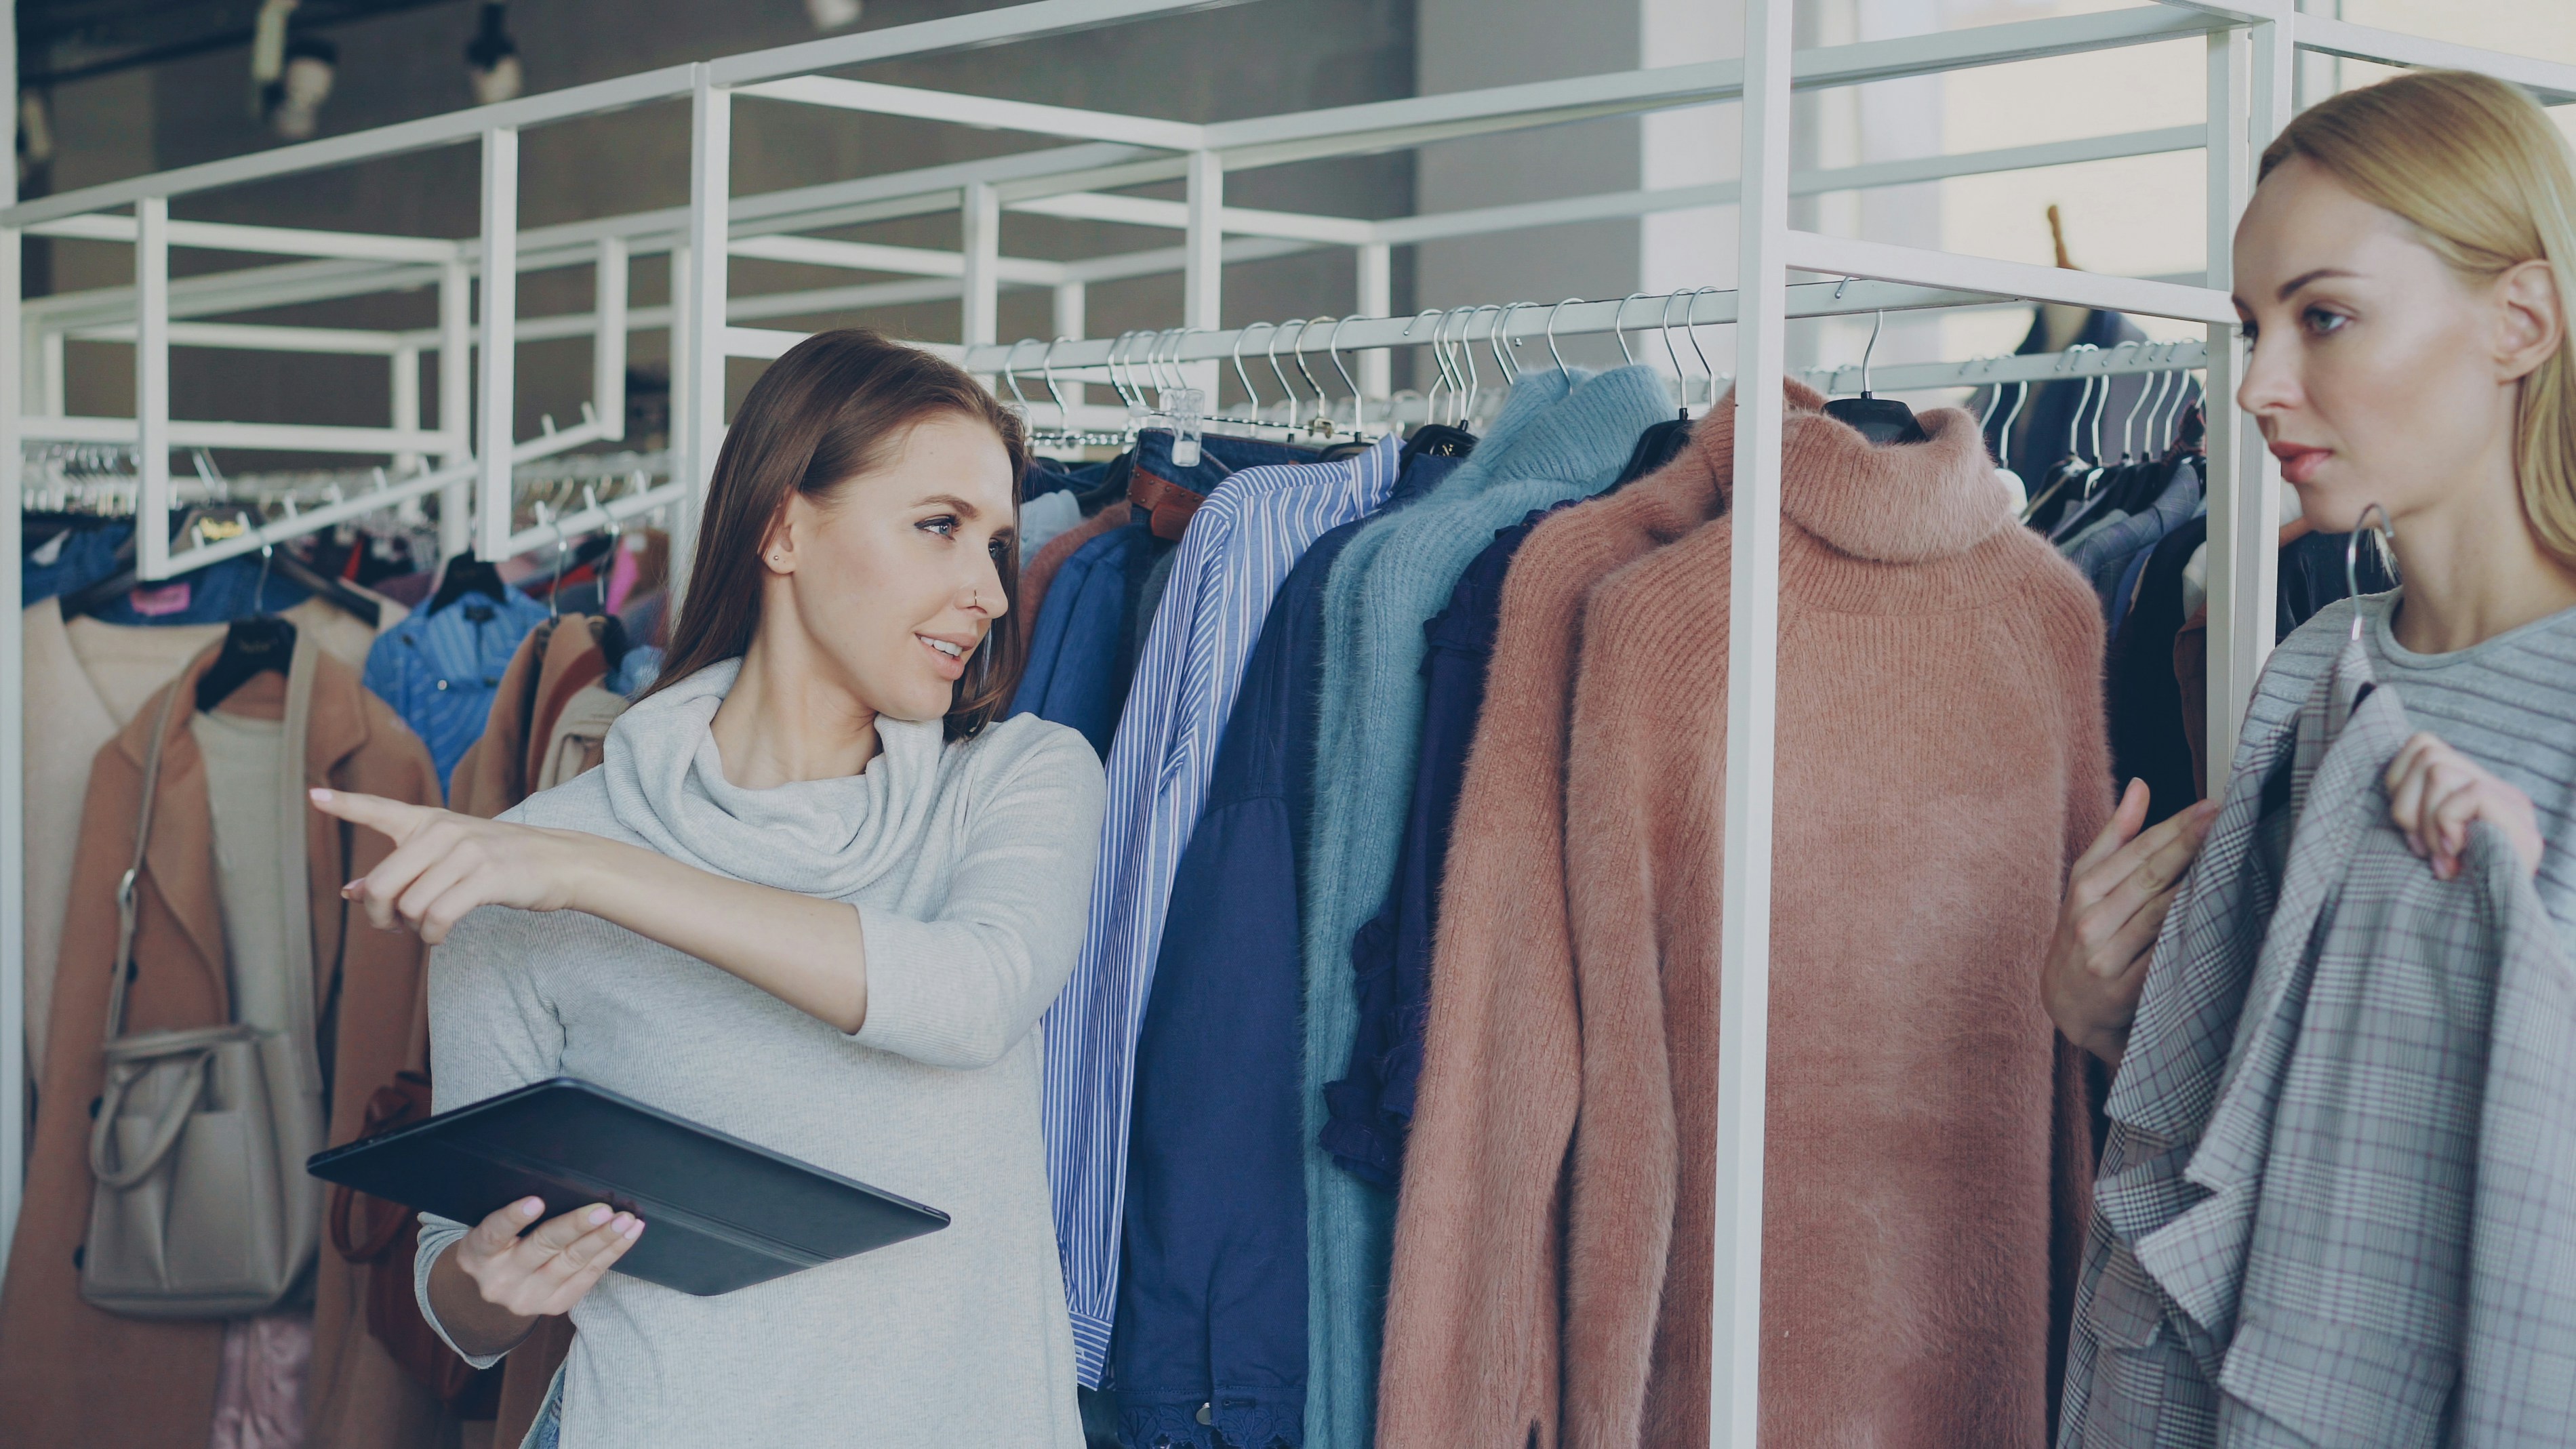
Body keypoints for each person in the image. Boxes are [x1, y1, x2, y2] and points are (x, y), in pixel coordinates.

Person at [310, 329, 1106, 1448]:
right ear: (784, 527)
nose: (987, 590)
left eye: (999, 543)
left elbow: (972, 994)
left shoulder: (1020, 780)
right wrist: (492, 1280)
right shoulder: (525, 868)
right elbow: (460, 1308)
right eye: (939, 527)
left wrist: (593, 875)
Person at [2045, 70, 2576, 1072]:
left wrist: (2527, 922)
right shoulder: (2310, 670)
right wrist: (2108, 1018)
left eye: (2323, 317)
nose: (2253, 386)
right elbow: (2285, 1116)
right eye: (2253, 327)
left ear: (2523, 322)